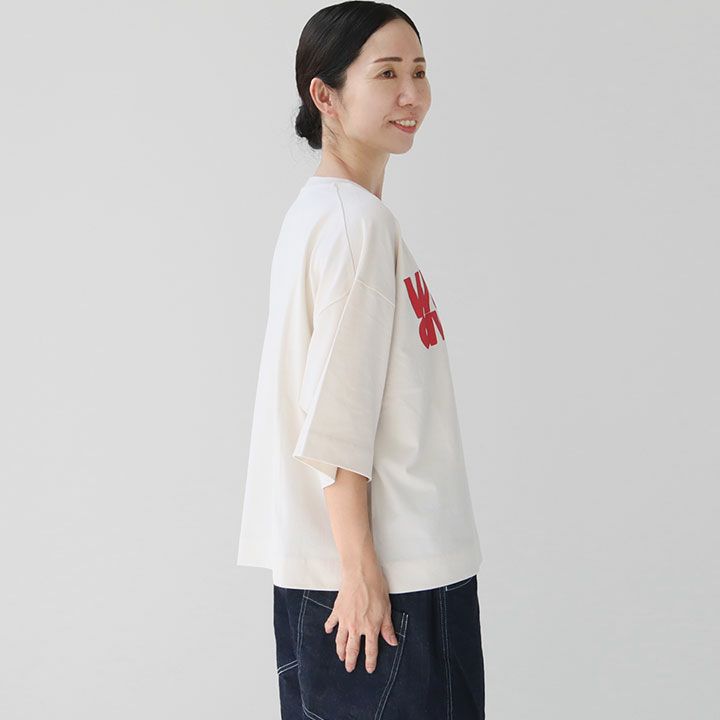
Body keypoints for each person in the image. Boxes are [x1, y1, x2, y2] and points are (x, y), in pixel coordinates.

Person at [236, 2, 486, 717]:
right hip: (388, 582)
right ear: (326, 95)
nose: (412, 94)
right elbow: (336, 418)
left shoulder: (323, 214)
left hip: (342, 578)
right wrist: (361, 572)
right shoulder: (356, 226)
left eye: (420, 72)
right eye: (386, 74)